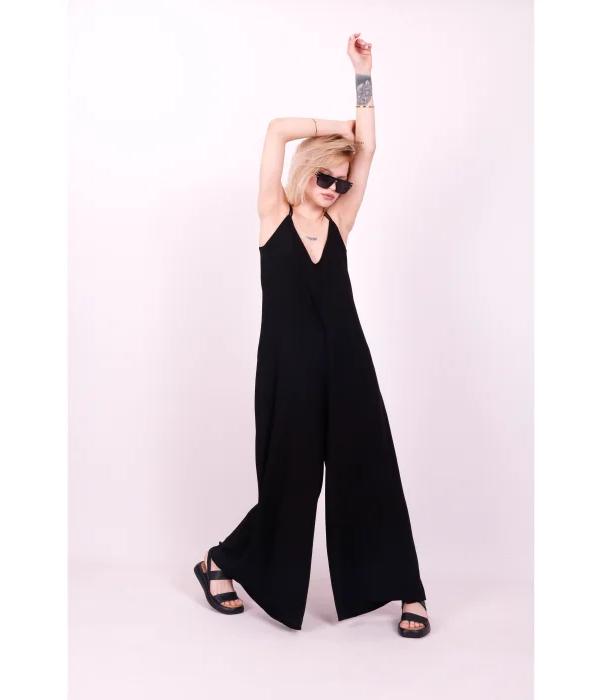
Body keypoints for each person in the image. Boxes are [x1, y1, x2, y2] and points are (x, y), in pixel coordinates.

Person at [194, 33, 430, 638]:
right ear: (308, 168)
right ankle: (219, 562)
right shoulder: (272, 214)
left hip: (349, 365)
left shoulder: (340, 223)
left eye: (343, 183)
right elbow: (277, 129)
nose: (334, 188)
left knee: (372, 469)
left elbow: (369, 150)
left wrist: (363, 77)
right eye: (326, 176)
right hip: (288, 370)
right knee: (289, 484)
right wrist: (337, 129)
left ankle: (407, 589)